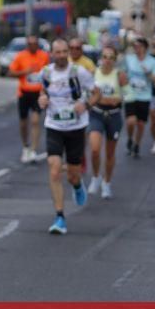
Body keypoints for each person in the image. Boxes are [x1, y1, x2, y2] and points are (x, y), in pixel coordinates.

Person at [38, 39, 94, 235]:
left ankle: (77, 185)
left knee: (72, 174)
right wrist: (42, 99)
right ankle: (60, 217)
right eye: (58, 52)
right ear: (52, 54)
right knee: (54, 169)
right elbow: (43, 91)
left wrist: (85, 105)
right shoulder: (46, 73)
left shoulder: (79, 72)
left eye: (64, 52)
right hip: (54, 125)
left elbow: (96, 93)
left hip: (76, 127)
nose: (61, 55)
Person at [87, 45, 127, 200]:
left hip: (114, 116)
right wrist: (101, 100)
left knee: (110, 153)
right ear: (100, 58)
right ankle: (96, 177)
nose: (107, 60)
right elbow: (88, 94)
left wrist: (118, 99)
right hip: (96, 114)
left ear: (115, 60)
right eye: (105, 57)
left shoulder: (119, 75)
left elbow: (128, 94)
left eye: (111, 57)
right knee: (95, 149)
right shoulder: (94, 73)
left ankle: (107, 182)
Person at [8, 35, 50, 164]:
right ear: (27, 45)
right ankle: (26, 145)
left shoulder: (44, 56)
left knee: (35, 121)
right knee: (23, 122)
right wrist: (25, 72)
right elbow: (10, 72)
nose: (32, 46)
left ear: (38, 44)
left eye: (35, 44)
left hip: (37, 93)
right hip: (24, 93)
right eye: (30, 44)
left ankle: (33, 149)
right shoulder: (21, 56)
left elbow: (48, 73)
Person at [122, 37, 155, 158]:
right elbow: (122, 74)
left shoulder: (152, 61)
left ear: (145, 48)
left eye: (138, 46)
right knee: (131, 121)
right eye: (134, 46)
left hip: (145, 97)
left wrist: (148, 73)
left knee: (140, 124)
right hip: (130, 95)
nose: (136, 48)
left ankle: (137, 144)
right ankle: (130, 138)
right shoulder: (129, 59)